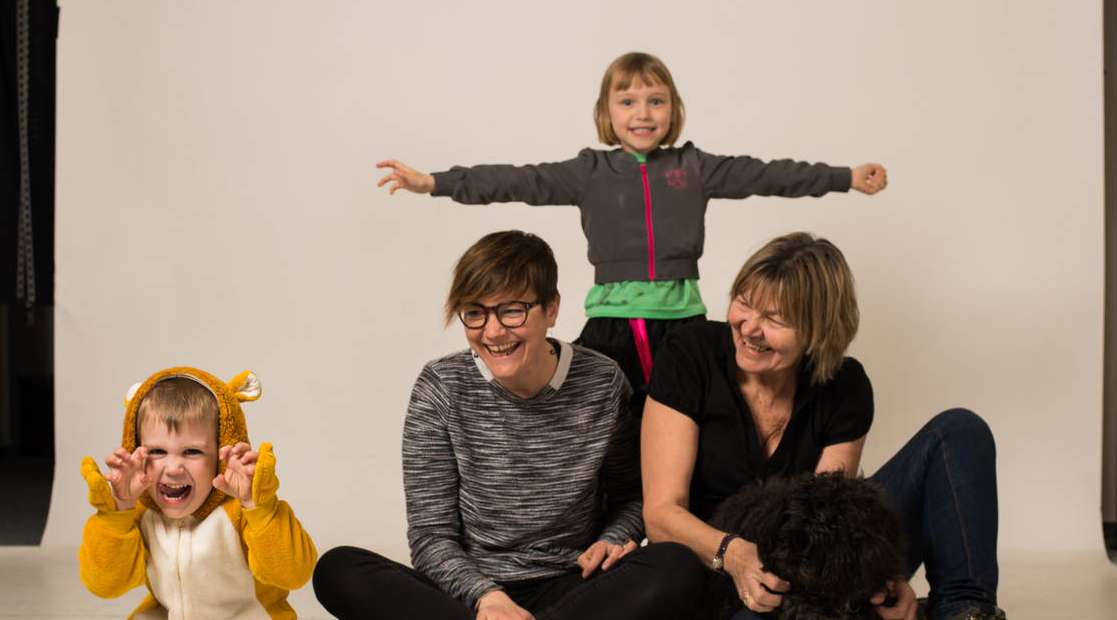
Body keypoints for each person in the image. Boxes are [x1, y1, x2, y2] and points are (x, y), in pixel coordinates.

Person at [641, 233, 1059, 620]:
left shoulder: (846, 385)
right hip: (720, 591)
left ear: (818, 328)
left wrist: (886, 581)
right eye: (744, 303)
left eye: (775, 319)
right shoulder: (689, 354)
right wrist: (734, 555)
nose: (749, 328)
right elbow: (661, 516)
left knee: (959, 431)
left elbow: (836, 526)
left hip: (809, 575)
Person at [313, 230, 703, 620]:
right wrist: (488, 597)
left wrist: (612, 538)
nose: (493, 332)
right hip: (468, 595)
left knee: (679, 566)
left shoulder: (602, 381)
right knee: (338, 570)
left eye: (512, 311)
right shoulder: (441, 386)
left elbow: (631, 498)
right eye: (475, 313)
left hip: (573, 588)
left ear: (552, 309)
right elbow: (431, 536)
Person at [375, 52, 887, 398]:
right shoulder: (589, 171)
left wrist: (845, 177)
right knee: (606, 419)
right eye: (628, 102)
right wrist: (435, 182)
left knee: (698, 414)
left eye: (655, 101)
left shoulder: (694, 166)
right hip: (612, 323)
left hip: (683, 320)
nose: (643, 113)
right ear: (606, 112)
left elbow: (769, 175)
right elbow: (517, 180)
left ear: (673, 110)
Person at [79, 367, 317, 620]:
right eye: (157, 452)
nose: (173, 467)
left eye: (192, 451)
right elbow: (105, 585)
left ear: (222, 453)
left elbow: (293, 574)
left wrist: (260, 507)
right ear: (136, 452)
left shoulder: (241, 510)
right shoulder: (137, 512)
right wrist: (117, 515)